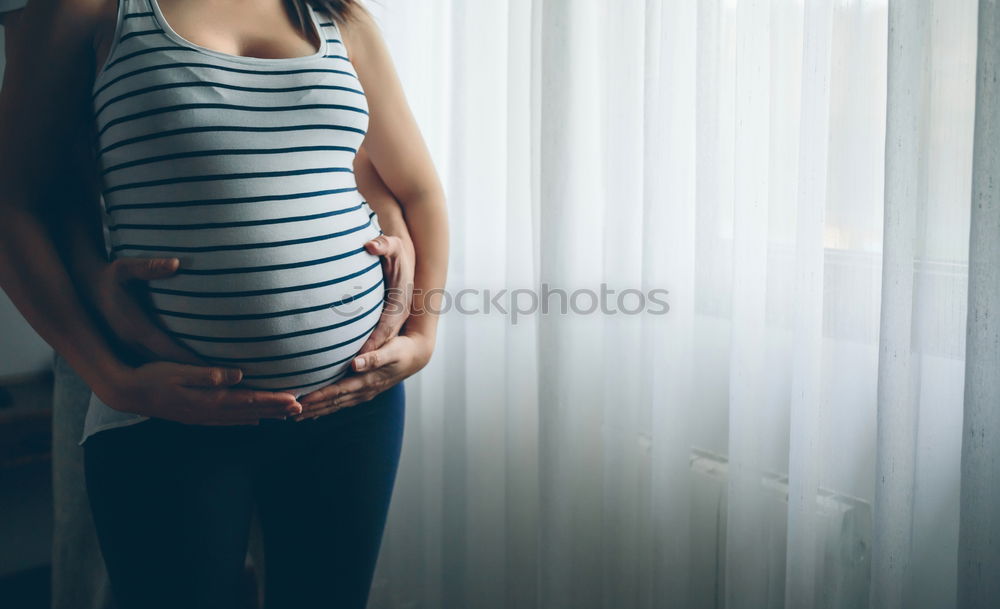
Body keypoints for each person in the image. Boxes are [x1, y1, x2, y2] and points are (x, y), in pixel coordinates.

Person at [0, 1, 448, 608]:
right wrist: (115, 382)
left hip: (352, 405)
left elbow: (416, 188)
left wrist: (422, 334)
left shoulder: (336, 15)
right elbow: (16, 203)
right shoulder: (91, 9)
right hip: (167, 413)